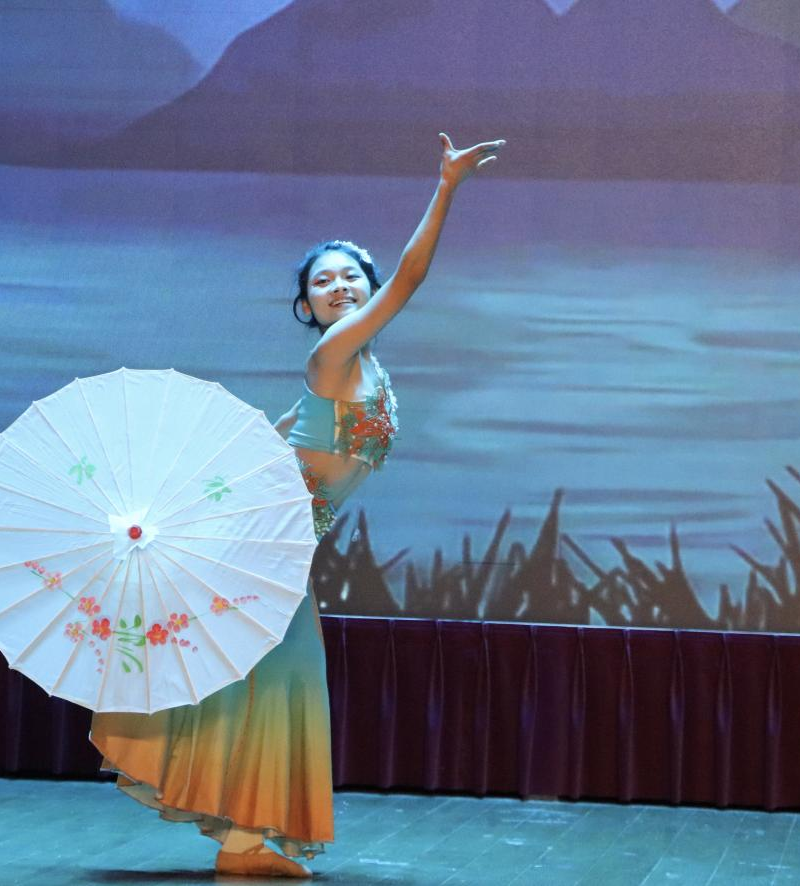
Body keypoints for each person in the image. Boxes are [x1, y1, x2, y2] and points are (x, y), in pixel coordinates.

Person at [88, 132, 504, 878]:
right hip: (255, 549)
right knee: (272, 682)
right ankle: (242, 840)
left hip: (279, 547)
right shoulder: (331, 356)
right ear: (307, 306)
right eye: (323, 282)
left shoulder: (357, 370)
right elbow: (410, 279)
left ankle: (242, 841)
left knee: (268, 683)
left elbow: (268, 442)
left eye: (351, 276)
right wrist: (445, 189)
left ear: (364, 287)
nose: (340, 286)